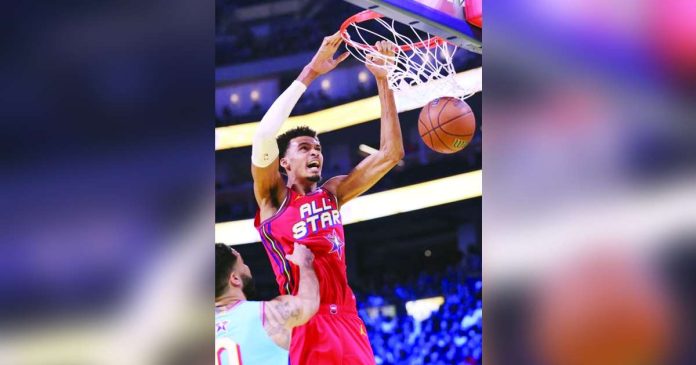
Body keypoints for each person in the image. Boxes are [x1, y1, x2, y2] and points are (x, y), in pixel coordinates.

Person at [250, 31, 404, 364]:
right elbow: (263, 135)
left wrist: (383, 79)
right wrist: (311, 73)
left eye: (318, 148)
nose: (315, 153)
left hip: (348, 319)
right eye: (304, 148)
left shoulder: (332, 193)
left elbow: (391, 153)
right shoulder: (273, 198)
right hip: (307, 318)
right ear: (284, 163)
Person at [215, 242, 319, 364]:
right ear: (235, 279)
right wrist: (305, 263)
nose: (247, 267)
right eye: (243, 264)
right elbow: (309, 301)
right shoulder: (266, 313)